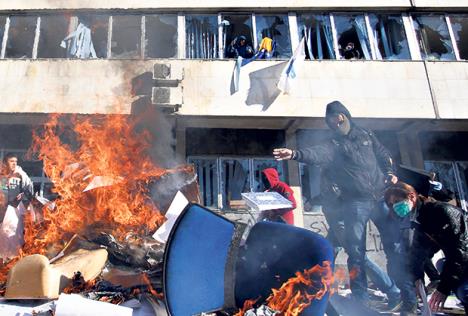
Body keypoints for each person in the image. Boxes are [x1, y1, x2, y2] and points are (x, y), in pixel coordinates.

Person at [273, 100, 399, 306]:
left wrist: (391, 173)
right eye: (329, 121)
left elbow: (384, 155)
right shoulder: (335, 145)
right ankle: (359, 302)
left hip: (378, 197)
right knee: (355, 253)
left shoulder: (366, 135)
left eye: (335, 119)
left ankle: (398, 293)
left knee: (394, 246)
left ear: (343, 116)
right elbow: (316, 153)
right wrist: (295, 154)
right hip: (354, 205)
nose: (333, 124)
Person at [385, 182, 468, 315]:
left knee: (464, 290)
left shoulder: (442, 212)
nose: (394, 206)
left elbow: (460, 252)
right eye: (391, 204)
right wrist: (417, 277)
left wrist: (443, 289)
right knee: (447, 271)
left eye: (397, 201)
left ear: (411, 196)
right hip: (461, 258)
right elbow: (419, 252)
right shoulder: (421, 219)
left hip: (464, 256)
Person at [0, 153, 34, 220]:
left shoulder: (21, 175)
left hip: (16, 213)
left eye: (16, 161)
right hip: (2, 211)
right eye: (11, 161)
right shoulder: (2, 176)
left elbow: (30, 190)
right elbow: (3, 190)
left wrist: (23, 195)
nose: (14, 163)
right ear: (5, 163)